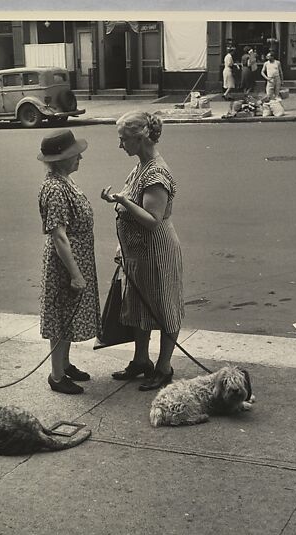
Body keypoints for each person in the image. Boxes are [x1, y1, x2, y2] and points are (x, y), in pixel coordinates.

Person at [100, 111, 185, 392]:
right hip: (137, 252)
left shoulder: (156, 173)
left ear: (140, 138)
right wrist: (119, 203)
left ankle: (163, 366)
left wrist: (123, 200)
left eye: (123, 139)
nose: (120, 145)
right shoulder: (141, 166)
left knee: (163, 308)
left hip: (156, 251)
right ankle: (140, 360)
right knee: (139, 307)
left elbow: (152, 220)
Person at [37, 129, 101, 394]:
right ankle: (56, 375)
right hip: (65, 263)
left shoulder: (64, 181)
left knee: (69, 313)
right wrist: (75, 274)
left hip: (77, 258)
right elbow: (59, 236)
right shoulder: (54, 188)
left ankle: (64, 364)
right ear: (61, 158)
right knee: (62, 316)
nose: (80, 159)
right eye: (75, 155)